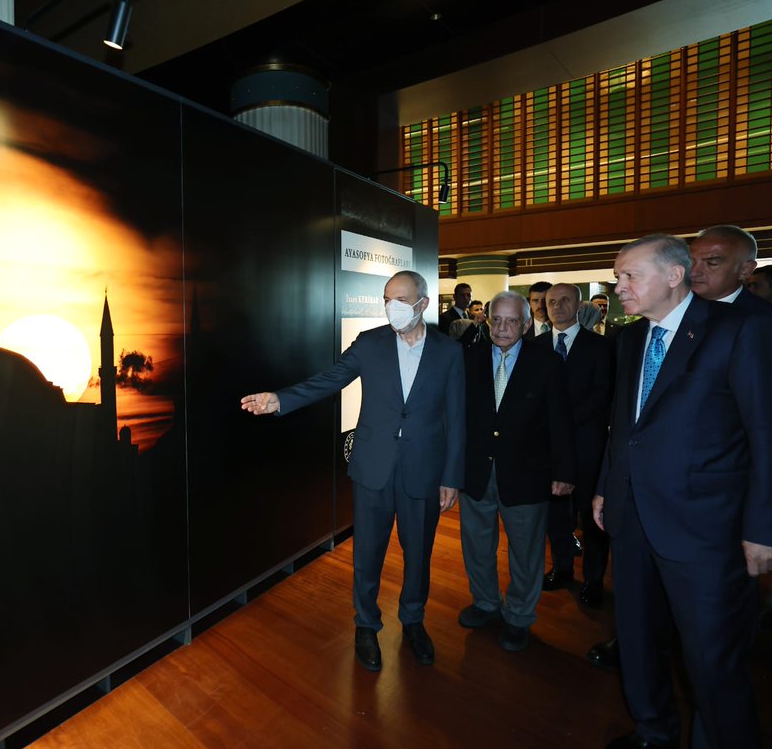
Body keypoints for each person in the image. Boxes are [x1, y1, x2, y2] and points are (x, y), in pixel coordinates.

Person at [594, 234, 772, 749]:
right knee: (638, 643)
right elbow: (624, 426)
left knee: (711, 661)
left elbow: (770, 434)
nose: (619, 288)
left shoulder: (740, 331)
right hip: (632, 516)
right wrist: (604, 489)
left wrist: (767, 527)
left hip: (706, 530)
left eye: (628, 276)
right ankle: (652, 730)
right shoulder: (632, 338)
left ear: (674, 276)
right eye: (618, 277)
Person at [240, 270, 465, 672]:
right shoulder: (370, 343)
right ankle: (366, 624)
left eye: (400, 300)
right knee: (367, 553)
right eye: (386, 299)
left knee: (419, 554)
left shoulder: (449, 352)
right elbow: (329, 380)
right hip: (373, 466)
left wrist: (451, 476)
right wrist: (280, 399)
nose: (391, 308)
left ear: (423, 304)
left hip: (423, 470)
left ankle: (413, 620)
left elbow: (457, 418)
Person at [690, 226, 772, 629]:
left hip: (741, 486)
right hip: (682, 483)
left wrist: (769, 509)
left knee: (726, 600)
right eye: (690, 260)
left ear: (747, 268)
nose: (696, 271)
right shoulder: (673, 315)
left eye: (711, 262)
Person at [458, 291, 575, 652]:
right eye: (496, 319)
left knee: (525, 552)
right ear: (487, 320)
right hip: (476, 471)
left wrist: (564, 470)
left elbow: (561, 421)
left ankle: (519, 616)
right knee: (477, 545)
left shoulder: (548, 362)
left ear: (526, 324)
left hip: (527, 473)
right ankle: (485, 602)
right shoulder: (469, 359)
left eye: (512, 321)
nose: (503, 328)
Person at [536, 284, 614, 608]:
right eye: (551, 301)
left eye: (565, 300)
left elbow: (603, 395)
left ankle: (594, 580)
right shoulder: (535, 347)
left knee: (591, 519)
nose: (557, 306)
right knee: (555, 516)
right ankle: (562, 568)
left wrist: (559, 420)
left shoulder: (601, 347)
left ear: (579, 304)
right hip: (547, 450)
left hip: (587, 447)